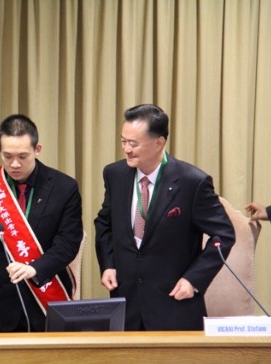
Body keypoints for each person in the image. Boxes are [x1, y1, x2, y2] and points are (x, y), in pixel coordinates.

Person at [94, 104, 235, 331]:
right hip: (127, 305)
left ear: (159, 143)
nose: (126, 149)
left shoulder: (192, 182)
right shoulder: (114, 174)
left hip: (173, 305)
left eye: (133, 143)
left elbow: (224, 234)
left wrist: (194, 280)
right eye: (123, 141)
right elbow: (104, 223)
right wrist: (108, 263)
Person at [0, 114, 83, 333]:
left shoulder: (64, 187)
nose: (14, 164)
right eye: (7, 156)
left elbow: (68, 244)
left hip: (47, 300)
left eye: (22, 156)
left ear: (37, 149)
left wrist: (34, 268)